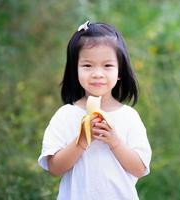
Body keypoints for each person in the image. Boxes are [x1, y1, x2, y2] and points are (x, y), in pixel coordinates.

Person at [38, 21, 152, 200]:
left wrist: (115, 141)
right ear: (74, 70)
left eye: (107, 66)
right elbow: (54, 168)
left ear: (120, 71)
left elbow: (140, 168)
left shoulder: (129, 117)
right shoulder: (66, 115)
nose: (97, 73)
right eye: (87, 66)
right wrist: (81, 141)